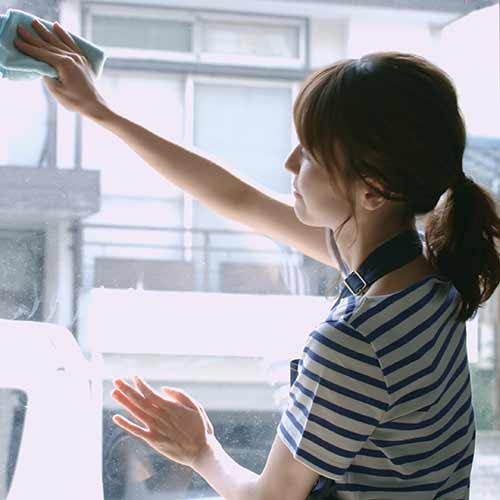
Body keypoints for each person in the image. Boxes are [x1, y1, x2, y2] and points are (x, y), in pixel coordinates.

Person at [14, 18, 500, 500]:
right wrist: (103, 112)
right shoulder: (425, 275)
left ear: (374, 191)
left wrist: (200, 450)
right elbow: (238, 198)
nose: (289, 163)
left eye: (309, 153)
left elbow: (272, 499)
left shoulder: (356, 339)